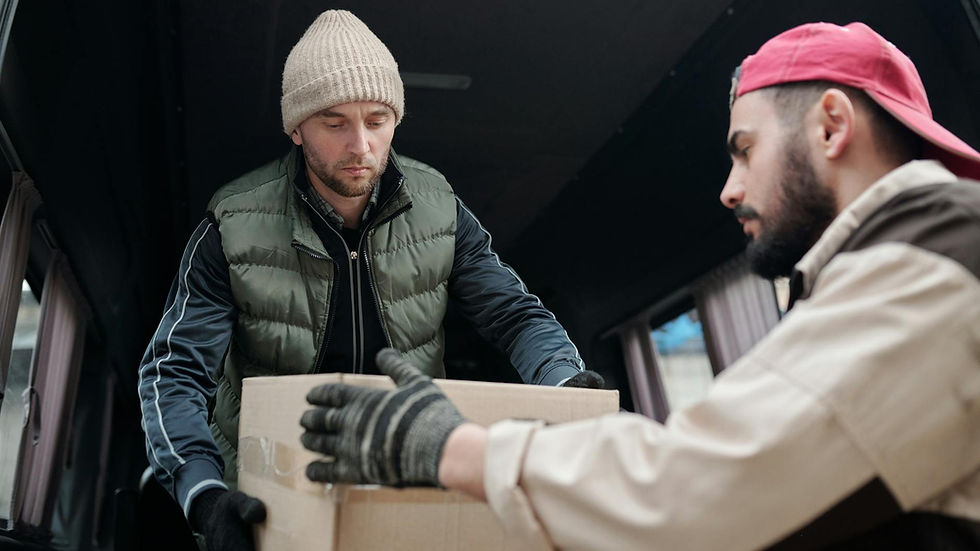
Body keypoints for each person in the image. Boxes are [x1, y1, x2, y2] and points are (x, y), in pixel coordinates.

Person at [300, 22, 980, 550]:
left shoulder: (934, 258)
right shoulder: (917, 262)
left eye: (744, 149)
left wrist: (455, 446)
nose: (729, 188)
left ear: (832, 126)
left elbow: (707, 487)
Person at [137, 9, 601, 551]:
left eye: (377, 120)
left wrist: (566, 386)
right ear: (296, 128)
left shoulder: (441, 209)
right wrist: (205, 495)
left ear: (396, 120)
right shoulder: (231, 227)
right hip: (268, 496)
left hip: (411, 485)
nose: (360, 145)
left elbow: (515, 316)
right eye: (334, 123)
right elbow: (174, 372)